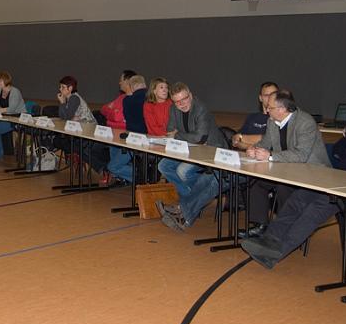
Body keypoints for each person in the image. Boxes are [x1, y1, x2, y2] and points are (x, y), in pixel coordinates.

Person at [242, 84, 346, 269]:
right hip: (339, 178)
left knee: (316, 209)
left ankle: (277, 252)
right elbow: (338, 150)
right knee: (299, 198)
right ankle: (269, 239)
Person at [240, 90, 331, 239]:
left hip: (311, 171)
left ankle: (284, 231)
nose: (266, 110)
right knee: (256, 181)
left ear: (282, 109)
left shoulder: (305, 122)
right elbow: (265, 143)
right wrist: (254, 149)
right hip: (285, 167)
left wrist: (270, 155)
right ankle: (260, 225)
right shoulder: (272, 121)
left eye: (270, 107)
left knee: (284, 186)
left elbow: (301, 155)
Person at [156, 82, 226, 231]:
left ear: (191, 95)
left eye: (184, 99)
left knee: (182, 170)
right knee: (163, 165)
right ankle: (191, 201)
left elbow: (200, 137)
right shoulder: (173, 109)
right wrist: (182, 136)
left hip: (210, 150)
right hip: (188, 148)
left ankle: (185, 207)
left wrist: (178, 135)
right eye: (177, 102)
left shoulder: (201, 109)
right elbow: (170, 130)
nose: (182, 104)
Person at [107, 75, 147, 183]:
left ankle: (141, 177)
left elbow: (118, 117)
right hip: (143, 139)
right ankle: (138, 176)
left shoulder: (126, 100)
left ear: (132, 86)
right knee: (114, 148)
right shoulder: (149, 99)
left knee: (112, 166)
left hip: (132, 140)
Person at [231, 81, 279, 150]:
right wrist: (241, 140)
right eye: (266, 95)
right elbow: (236, 139)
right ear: (260, 98)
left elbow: (269, 140)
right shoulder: (252, 117)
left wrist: (243, 139)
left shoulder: (280, 118)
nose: (270, 98)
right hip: (245, 154)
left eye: (273, 94)